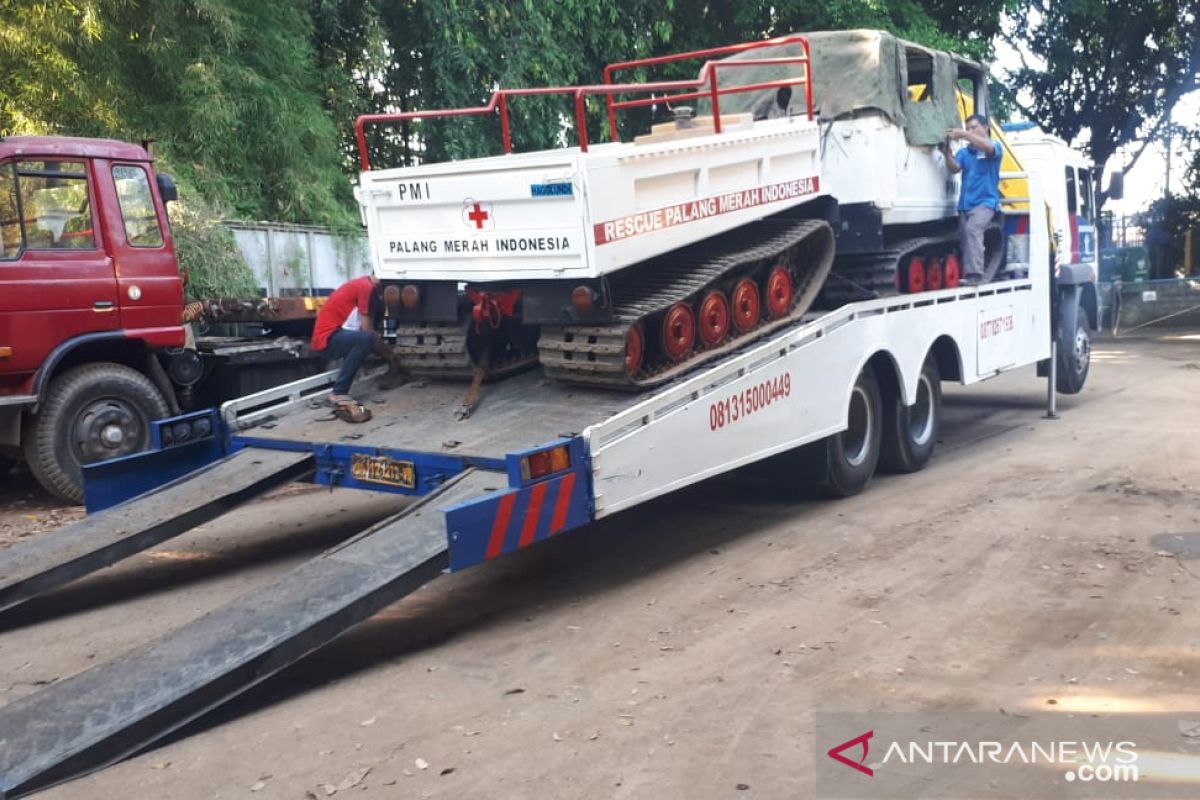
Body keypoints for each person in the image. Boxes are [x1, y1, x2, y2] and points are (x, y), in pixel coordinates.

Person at [311, 275, 404, 423]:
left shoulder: (367, 286)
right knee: (366, 339)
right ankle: (339, 392)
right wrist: (392, 358)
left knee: (367, 341)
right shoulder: (366, 288)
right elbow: (368, 333)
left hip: (339, 335)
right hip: (327, 339)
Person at [939, 113, 1003, 285]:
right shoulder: (965, 152)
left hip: (986, 203)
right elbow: (955, 168)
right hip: (965, 204)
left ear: (986, 129)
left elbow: (989, 149)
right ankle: (969, 273)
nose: (970, 131)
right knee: (965, 237)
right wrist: (947, 155)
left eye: (974, 127)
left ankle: (975, 275)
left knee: (973, 229)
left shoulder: (994, 146)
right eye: (968, 128)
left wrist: (964, 134)